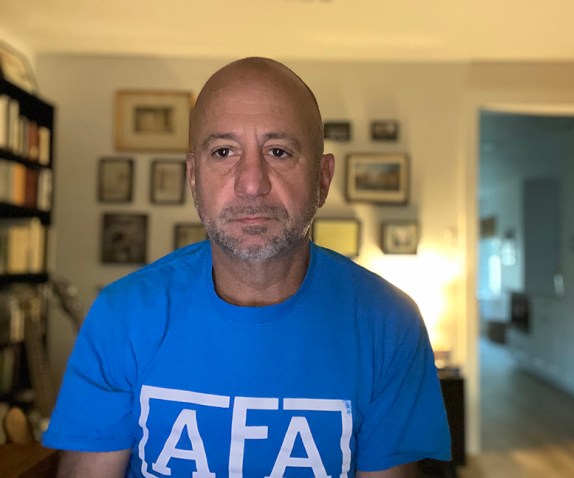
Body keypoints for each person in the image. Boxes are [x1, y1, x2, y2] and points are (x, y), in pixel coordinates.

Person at [43, 57, 451, 477]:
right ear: (193, 177)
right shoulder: (122, 314)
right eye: (223, 152)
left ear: (323, 178)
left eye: (278, 152)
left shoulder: (388, 322)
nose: (252, 183)